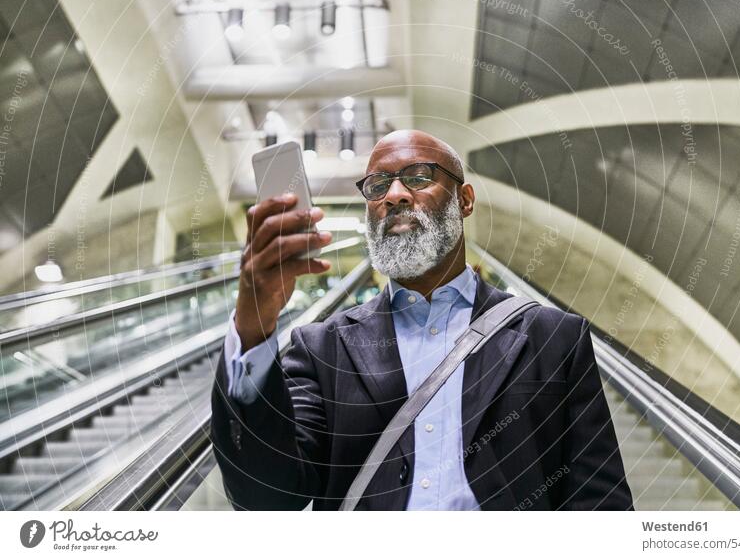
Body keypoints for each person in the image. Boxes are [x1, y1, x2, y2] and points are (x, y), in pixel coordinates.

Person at [210, 129, 634, 511]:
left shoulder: (552, 337)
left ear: (464, 200)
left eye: (417, 177)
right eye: (377, 186)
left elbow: (600, 504)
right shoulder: (322, 349)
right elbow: (267, 496)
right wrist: (252, 327)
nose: (394, 194)